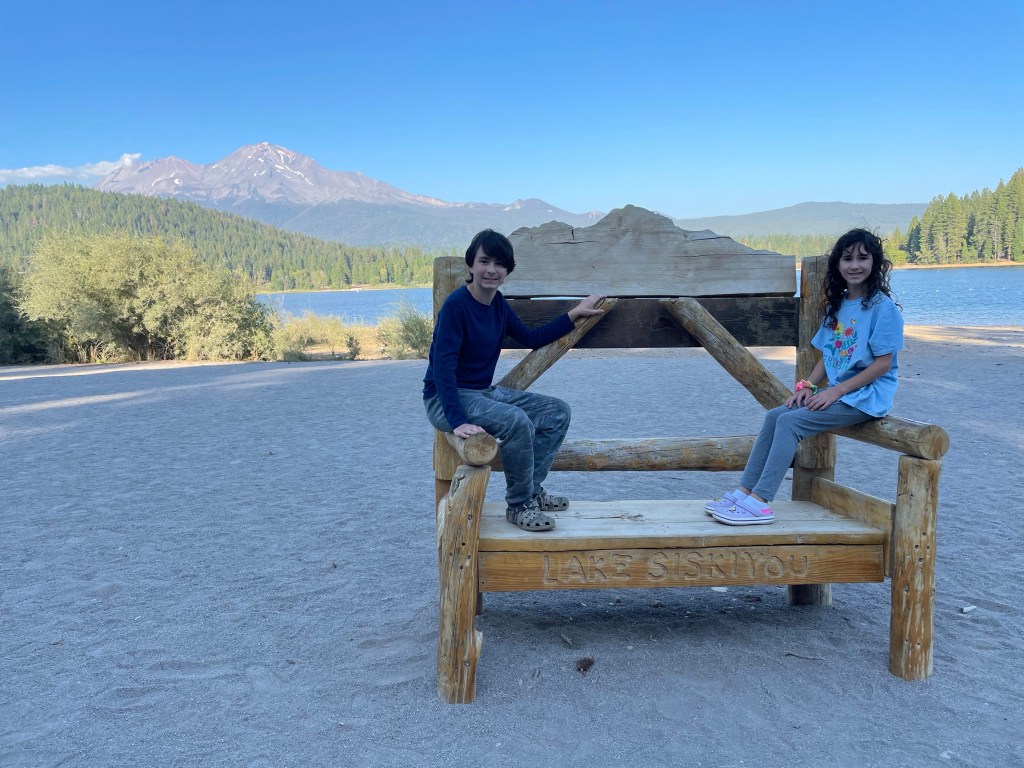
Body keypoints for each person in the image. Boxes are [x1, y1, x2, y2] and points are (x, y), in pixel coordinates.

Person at [706, 228, 904, 525]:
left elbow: (883, 364)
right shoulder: (839, 305)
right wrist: (809, 385)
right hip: (840, 392)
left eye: (863, 258)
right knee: (775, 415)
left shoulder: (882, 308)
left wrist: (835, 391)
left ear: (875, 263)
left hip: (866, 396)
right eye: (847, 258)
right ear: (838, 264)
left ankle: (760, 502)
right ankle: (744, 492)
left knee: (791, 423)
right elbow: (829, 354)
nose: (855, 265)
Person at [423, 229, 605, 532]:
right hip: (444, 399)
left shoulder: (498, 305)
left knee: (557, 412)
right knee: (517, 420)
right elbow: (442, 367)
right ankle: (519, 506)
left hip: (482, 393)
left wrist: (573, 314)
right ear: (471, 265)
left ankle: (532, 490)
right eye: (484, 261)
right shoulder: (456, 306)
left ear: (507, 270)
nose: (491, 269)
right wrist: (456, 421)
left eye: (499, 264)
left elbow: (532, 338)